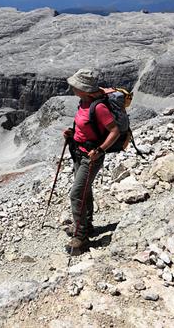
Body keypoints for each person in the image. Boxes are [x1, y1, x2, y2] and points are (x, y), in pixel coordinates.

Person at [63, 68, 120, 250]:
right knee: (84, 192)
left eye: (75, 85)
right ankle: (86, 227)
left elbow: (115, 131)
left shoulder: (99, 107)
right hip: (78, 152)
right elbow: (85, 127)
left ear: (84, 89)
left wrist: (100, 149)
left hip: (91, 156)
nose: (72, 87)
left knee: (76, 194)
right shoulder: (83, 102)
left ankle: (81, 238)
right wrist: (72, 135)